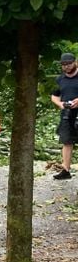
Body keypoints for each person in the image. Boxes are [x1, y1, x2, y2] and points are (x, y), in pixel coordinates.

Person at [51, 52, 78, 180]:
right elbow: (54, 96)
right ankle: (66, 170)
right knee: (67, 141)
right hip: (67, 114)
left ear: (75, 62)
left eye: (68, 63)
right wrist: (61, 104)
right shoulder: (59, 79)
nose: (66, 66)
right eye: (63, 64)